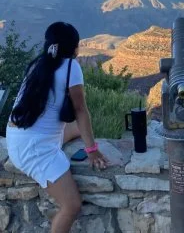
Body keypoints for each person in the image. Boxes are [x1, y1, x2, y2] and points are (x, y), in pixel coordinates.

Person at [6, 22, 109, 233]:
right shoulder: (72, 67)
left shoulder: (38, 64)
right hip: (35, 150)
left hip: (18, 137)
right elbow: (80, 110)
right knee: (72, 206)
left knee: (79, 129)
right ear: (74, 48)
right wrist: (92, 150)